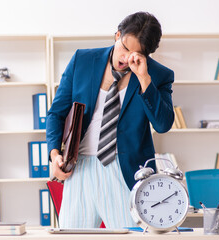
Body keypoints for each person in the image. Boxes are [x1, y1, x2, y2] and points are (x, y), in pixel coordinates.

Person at [46, 11, 174, 228]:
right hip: (80, 168)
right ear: (117, 35)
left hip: (124, 172)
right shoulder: (82, 60)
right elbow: (56, 113)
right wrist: (55, 154)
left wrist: (144, 79)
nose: (126, 58)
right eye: (124, 47)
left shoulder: (158, 75)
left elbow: (162, 125)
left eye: (136, 54)